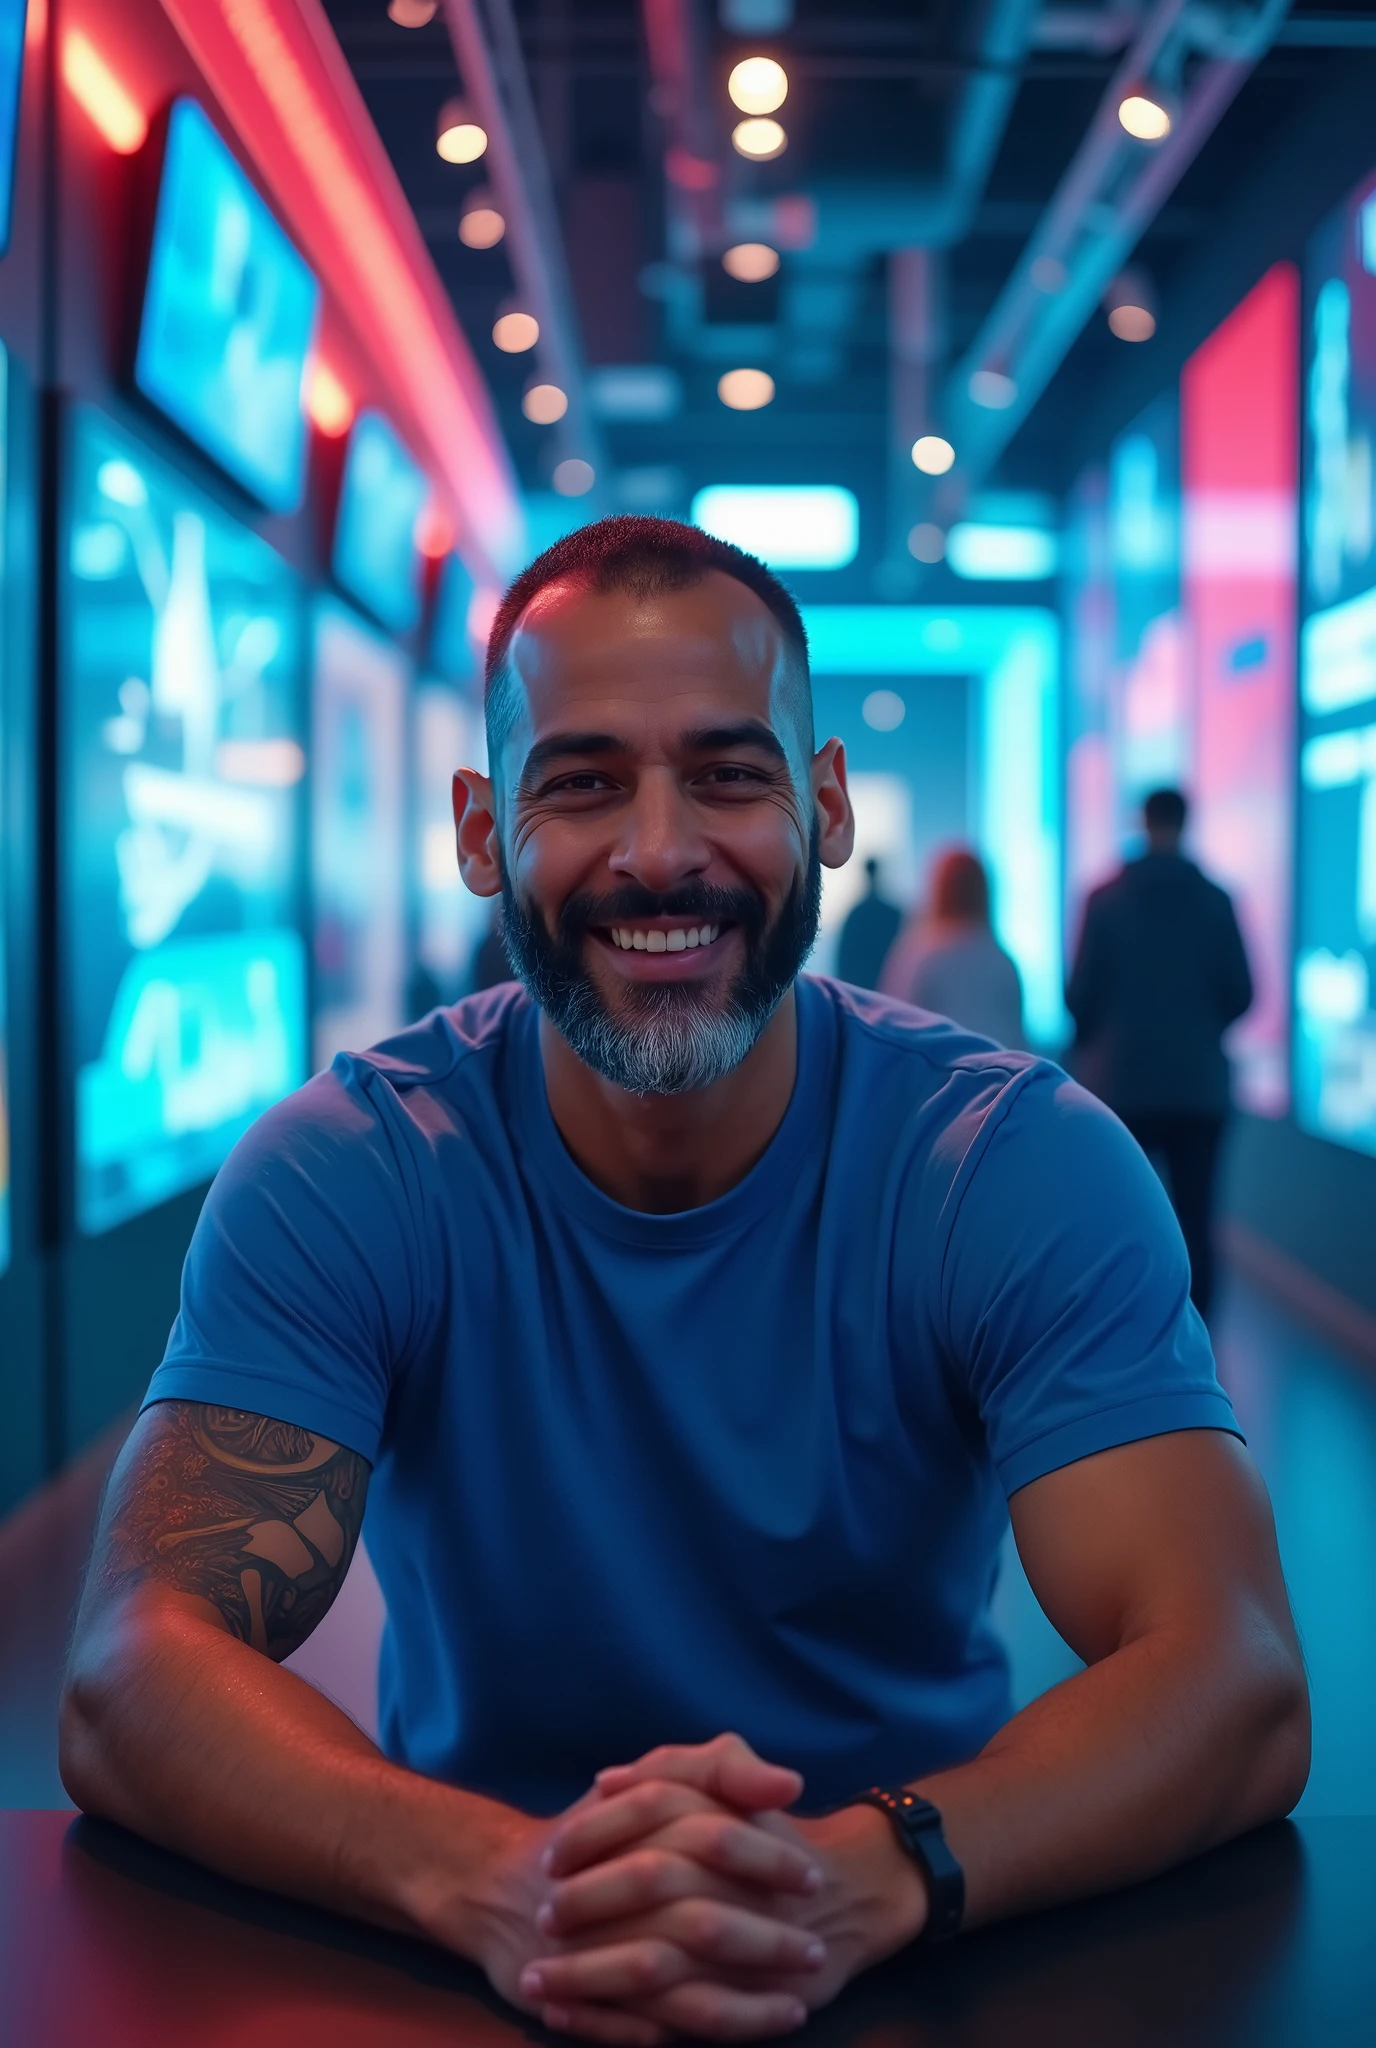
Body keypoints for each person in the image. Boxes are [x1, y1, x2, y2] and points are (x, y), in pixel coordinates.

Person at [62, 520, 1305, 2048]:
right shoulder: (354, 1168)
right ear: (478, 831)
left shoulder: (1013, 1164)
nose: (659, 851)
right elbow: (134, 1664)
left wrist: (857, 1877)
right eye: (582, 782)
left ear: (826, 805)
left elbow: (1232, 1677)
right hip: (464, 1944)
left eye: (728, 774)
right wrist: (501, 1879)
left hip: (926, 1918)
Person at [1066, 787, 1253, 1322]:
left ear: (1141, 824)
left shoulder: (1104, 900)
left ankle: (1128, 1338)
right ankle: (1198, 1352)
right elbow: (1242, 994)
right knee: (1197, 1217)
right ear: (1186, 822)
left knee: (1122, 1217)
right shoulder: (1217, 901)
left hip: (1122, 1086)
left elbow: (1080, 998)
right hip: (1199, 1088)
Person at [880, 847, 1024, 1048]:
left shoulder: (917, 954)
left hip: (934, 1075)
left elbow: (892, 1025)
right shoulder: (1001, 961)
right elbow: (1018, 1038)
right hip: (998, 1076)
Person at [835, 856, 902, 990]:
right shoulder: (892, 913)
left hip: (864, 989)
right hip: (890, 986)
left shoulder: (856, 914)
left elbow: (844, 959)